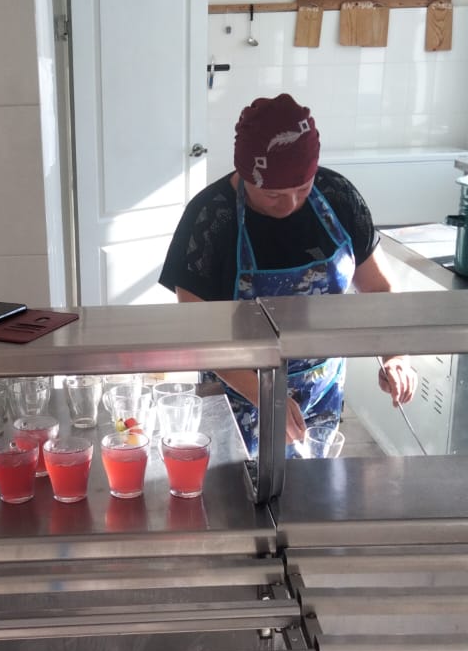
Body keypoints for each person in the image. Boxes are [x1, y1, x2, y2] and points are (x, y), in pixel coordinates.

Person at [159, 92, 416, 457]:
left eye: (302, 188)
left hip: (321, 393)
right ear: (245, 173)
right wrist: (265, 397)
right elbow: (198, 331)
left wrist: (396, 355)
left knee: (310, 486)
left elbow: (378, 289)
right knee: (237, 489)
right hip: (238, 394)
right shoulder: (209, 219)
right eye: (274, 195)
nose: (291, 204)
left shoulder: (339, 197)